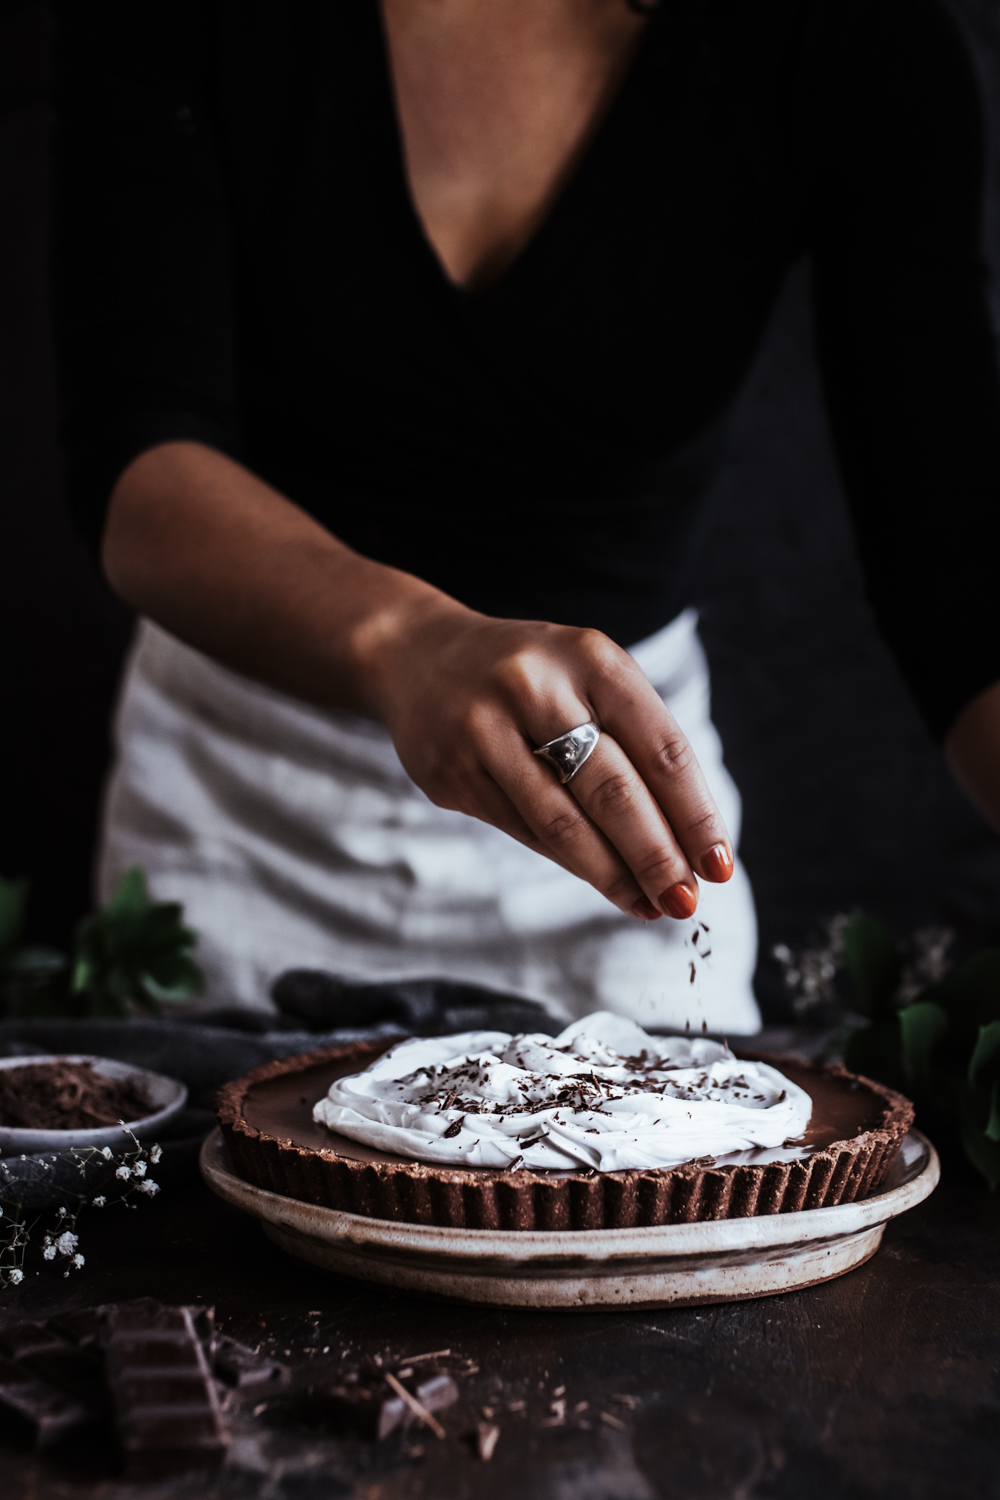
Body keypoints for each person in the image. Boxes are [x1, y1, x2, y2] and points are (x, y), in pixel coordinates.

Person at [50, 0, 1000, 1030]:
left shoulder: (861, 40)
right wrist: (406, 643)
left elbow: (956, 567)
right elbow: (141, 464)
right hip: (237, 813)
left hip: (620, 842)